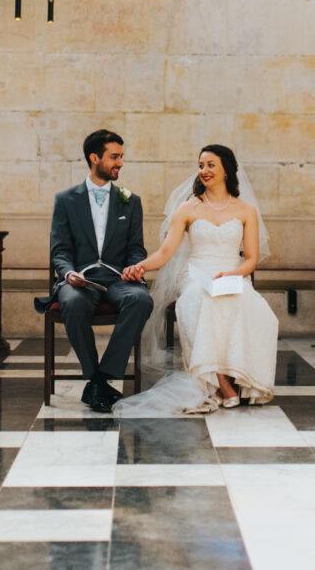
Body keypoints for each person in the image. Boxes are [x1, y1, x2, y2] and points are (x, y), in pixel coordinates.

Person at [114, 144, 277, 415]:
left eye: (211, 165)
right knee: (205, 301)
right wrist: (140, 266)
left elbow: (250, 258)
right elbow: (166, 251)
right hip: (196, 276)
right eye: (201, 165)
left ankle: (239, 376)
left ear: (226, 170)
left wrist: (233, 274)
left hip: (231, 274)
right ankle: (221, 383)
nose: (204, 171)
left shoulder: (245, 210)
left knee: (261, 312)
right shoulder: (188, 209)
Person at [35, 129, 153, 413]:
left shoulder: (130, 200)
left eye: (121, 157)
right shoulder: (66, 200)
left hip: (117, 279)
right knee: (72, 303)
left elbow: (137, 248)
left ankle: (101, 379)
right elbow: (59, 250)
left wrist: (135, 267)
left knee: (141, 300)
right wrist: (68, 274)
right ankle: (94, 376)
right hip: (80, 280)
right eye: (114, 157)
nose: (120, 163)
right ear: (94, 158)